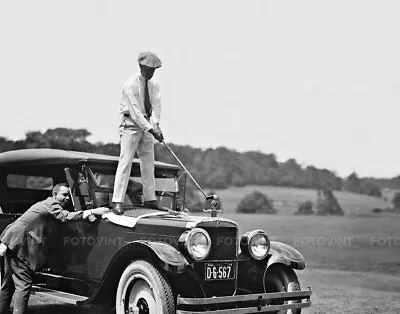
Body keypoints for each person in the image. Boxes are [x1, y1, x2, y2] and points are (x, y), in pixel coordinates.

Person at [0, 183, 109, 314]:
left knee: (8, 285)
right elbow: (65, 216)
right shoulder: (52, 204)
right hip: (19, 244)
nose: (67, 198)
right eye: (63, 194)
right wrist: (91, 211)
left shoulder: (47, 205)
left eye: (68, 195)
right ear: (54, 194)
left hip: (12, 241)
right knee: (24, 284)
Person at [112, 51, 164, 215]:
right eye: (149, 69)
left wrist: (156, 124)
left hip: (147, 123)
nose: (152, 72)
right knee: (125, 161)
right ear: (141, 67)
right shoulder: (130, 86)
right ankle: (117, 200)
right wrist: (151, 129)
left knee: (148, 162)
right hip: (130, 125)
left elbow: (156, 106)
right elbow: (135, 113)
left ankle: (150, 199)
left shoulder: (154, 84)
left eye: (154, 69)